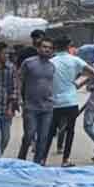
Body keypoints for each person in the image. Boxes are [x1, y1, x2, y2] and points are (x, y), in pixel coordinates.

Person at [49, 36, 94, 168]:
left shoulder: (50, 62)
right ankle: (65, 160)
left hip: (54, 103)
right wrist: (78, 84)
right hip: (71, 102)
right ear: (68, 46)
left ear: (55, 47)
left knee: (50, 131)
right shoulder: (75, 60)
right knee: (70, 131)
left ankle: (42, 159)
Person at [17, 37, 56, 165]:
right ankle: (21, 160)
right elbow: (19, 80)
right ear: (39, 48)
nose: (47, 50)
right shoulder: (28, 63)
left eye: (49, 48)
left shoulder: (52, 66)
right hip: (31, 106)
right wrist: (19, 98)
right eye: (44, 47)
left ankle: (37, 163)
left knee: (43, 137)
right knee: (29, 135)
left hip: (47, 107)